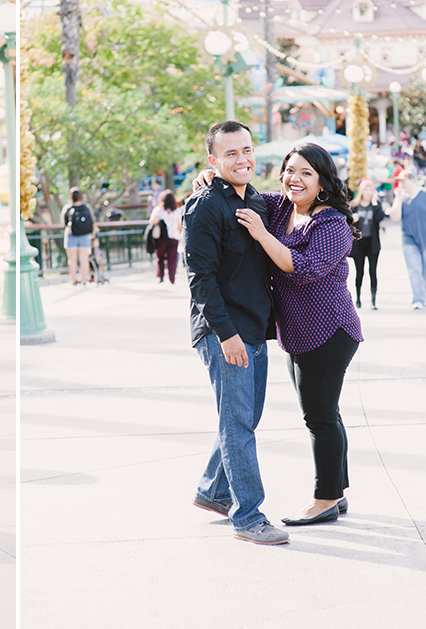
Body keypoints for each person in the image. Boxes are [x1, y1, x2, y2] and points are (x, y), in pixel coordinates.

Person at [232, 143, 363, 526]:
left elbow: (303, 269)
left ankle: (324, 499)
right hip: (298, 332)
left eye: (306, 172)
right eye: (290, 170)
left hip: (330, 330)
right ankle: (336, 493)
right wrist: (208, 177)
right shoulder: (281, 207)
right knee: (325, 414)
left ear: (322, 181)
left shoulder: (331, 223)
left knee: (319, 416)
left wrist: (261, 235)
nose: (295, 179)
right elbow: (245, 191)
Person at [183, 120, 287, 545]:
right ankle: (248, 516)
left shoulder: (258, 202)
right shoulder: (204, 205)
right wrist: (226, 335)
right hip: (224, 331)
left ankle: (213, 491)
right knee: (239, 424)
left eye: (246, 150)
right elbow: (200, 278)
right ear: (213, 161)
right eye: (230, 154)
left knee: (242, 419)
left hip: (254, 327)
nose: (242, 159)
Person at [389, 171, 426, 310]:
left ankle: (422, 291)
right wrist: (398, 198)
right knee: (414, 269)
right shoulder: (402, 199)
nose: (401, 184)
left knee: (425, 270)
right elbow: (394, 217)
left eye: (404, 181)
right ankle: (418, 298)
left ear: (412, 180)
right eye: (399, 182)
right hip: (409, 240)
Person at [349, 179, 387, 310]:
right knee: (359, 272)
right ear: (361, 191)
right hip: (359, 244)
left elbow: (379, 218)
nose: (368, 192)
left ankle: (373, 300)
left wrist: (376, 202)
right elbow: (347, 221)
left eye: (371, 190)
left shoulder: (375, 206)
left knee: (372, 271)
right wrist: (353, 219)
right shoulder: (354, 205)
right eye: (366, 189)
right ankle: (358, 298)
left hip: (372, 243)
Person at [61, 188, 97, 286]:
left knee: (72, 260)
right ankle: (84, 281)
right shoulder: (87, 207)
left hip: (71, 236)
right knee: (84, 260)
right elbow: (93, 221)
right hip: (84, 236)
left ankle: (73, 280)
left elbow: (64, 224)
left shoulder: (68, 208)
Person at [148, 189, 182, 284]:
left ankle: (160, 276)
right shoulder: (178, 211)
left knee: (160, 257)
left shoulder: (159, 210)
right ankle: (172, 278)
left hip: (162, 238)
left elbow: (152, 222)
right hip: (174, 237)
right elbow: (180, 226)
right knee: (172, 259)